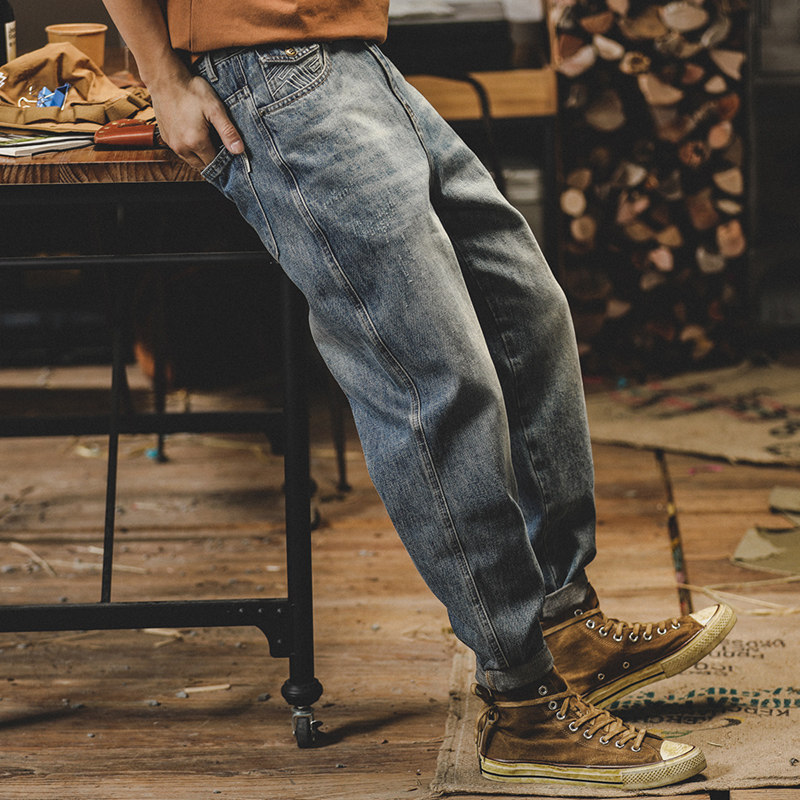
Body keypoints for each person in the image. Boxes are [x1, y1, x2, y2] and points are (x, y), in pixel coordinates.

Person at [101, 0, 736, 789]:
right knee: (433, 379)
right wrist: (163, 78)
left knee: (527, 315)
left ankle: (564, 623)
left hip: (350, 52)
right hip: (265, 70)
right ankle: (523, 700)